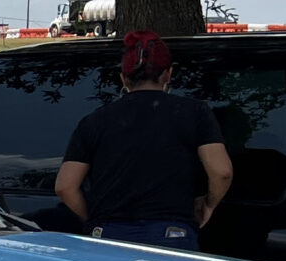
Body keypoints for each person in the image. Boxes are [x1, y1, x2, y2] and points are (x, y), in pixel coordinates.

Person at [53, 30, 233, 248]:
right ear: (168, 74)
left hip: (107, 234)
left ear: (124, 77)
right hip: (172, 234)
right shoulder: (195, 112)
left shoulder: (95, 120)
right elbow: (222, 172)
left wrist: (95, 219)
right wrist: (208, 205)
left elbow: (65, 186)